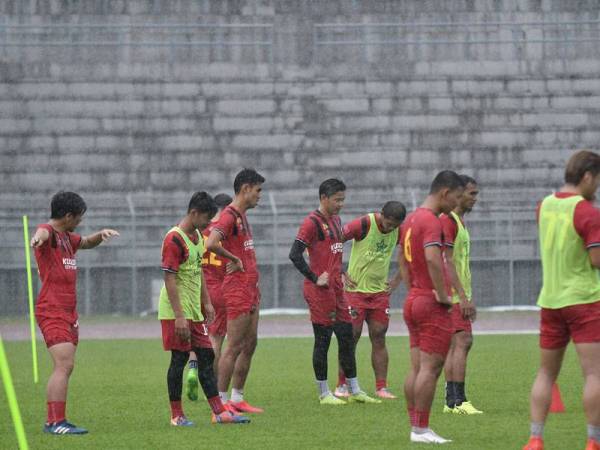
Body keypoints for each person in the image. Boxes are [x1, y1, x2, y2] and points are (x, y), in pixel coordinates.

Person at [523, 150, 600, 450]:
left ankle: (535, 437)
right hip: (584, 300)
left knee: (545, 372)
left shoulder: (544, 205)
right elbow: (595, 260)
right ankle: (593, 442)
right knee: (593, 373)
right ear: (587, 176)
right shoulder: (588, 213)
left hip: (551, 300)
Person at [31, 191, 119, 435]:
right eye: (78, 218)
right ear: (68, 216)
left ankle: (55, 421)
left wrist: (100, 235)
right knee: (64, 364)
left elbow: (88, 242)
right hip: (52, 309)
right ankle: (55, 422)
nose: (80, 222)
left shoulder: (68, 237)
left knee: (66, 366)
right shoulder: (49, 233)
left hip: (69, 311)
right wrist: (37, 238)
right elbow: (42, 232)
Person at [159, 191, 249, 426]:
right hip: (175, 312)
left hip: (194, 310)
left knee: (206, 355)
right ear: (193, 213)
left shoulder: (198, 236)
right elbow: (169, 279)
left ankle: (219, 412)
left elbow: (197, 272)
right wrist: (179, 317)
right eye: (207, 219)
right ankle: (177, 415)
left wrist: (206, 302)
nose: (209, 224)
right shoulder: (174, 239)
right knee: (179, 359)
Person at [289, 178, 381, 405]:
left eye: (343, 199)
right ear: (323, 198)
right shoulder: (311, 223)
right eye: (337, 200)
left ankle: (355, 389)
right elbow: (294, 254)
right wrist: (314, 277)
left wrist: (340, 272)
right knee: (323, 341)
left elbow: (332, 252)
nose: (341, 204)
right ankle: (323, 393)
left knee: (347, 338)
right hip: (319, 292)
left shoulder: (337, 220)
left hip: (338, 291)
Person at [400, 170, 465, 444]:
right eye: (457, 198)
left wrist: (414, 290)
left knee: (416, 368)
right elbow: (433, 259)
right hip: (429, 300)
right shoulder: (433, 221)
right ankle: (421, 429)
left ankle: (415, 425)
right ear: (445, 193)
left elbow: (402, 263)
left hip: (413, 298)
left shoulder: (410, 220)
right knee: (431, 367)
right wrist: (440, 293)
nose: (457, 204)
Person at [206, 169, 265, 414]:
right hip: (237, 289)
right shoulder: (229, 215)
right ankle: (219, 406)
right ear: (245, 189)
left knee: (250, 343)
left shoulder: (242, 216)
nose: (260, 196)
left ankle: (237, 398)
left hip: (250, 288)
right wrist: (233, 258)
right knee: (233, 346)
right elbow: (211, 243)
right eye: (258, 190)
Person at [334, 201, 406, 400]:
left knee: (379, 336)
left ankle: (381, 387)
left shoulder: (400, 231)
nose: (389, 228)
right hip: (355, 291)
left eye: (394, 226)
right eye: (387, 223)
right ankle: (342, 384)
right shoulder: (365, 223)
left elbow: (410, 255)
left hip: (379, 294)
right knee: (351, 337)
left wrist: (396, 281)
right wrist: (339, 269)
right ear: (381, 214)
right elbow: (334, 241)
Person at [185, 193, 233, 402]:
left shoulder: (199, 230)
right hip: (217, 289)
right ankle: (210, 382)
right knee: (216, 338)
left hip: (196, 287)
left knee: (198, 335)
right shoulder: (225, 231)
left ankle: (193, 368)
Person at [441, 175, 483, 415]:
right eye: (471, 194)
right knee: (463, 342)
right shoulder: (450, 221)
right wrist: (463, 297)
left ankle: (452, 401)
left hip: (458, 295)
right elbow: (446, 261)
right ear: (458, 194)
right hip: (454, 297)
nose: (475, 199)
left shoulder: (458, 222)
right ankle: (458, 401)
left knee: (457, 345)